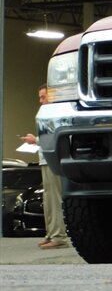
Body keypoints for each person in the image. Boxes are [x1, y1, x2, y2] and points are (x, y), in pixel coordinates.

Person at [22, 84, 68, 249]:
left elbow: (56, 137)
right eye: (40, 97)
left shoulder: (57, 114)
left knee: (55, 199)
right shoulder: (46, 114)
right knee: (48, 200)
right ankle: (50, 233)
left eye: (43, 97)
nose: (41, 101)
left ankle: (59, 236)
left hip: (53, 159)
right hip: (44, 158)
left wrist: (36, 140)